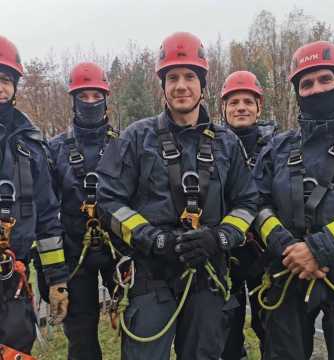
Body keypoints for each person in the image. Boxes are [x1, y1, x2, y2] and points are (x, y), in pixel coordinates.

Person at [96, 32, 258, 360]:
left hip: (208, 278)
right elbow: (109, 201)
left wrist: (219, 238)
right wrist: (154, 239)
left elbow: (247, 203)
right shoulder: (136, 138)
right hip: (152, 277)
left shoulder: (226, 143)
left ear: (203, 85)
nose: (181, 85)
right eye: (172, 77)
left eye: (189, 77)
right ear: (162, 86)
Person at [254, 40, 334, 359]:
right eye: (306, 83)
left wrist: (321, 249)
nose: (315, 90)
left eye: (324, 80)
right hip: (288, 273)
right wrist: (287, 246)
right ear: (297, 91)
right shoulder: (277, 148)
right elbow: (254, 204)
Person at [48, 62, 122, 360]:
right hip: (74, 252)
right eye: (84, 96)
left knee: (135, 325)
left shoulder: (124, 145)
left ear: (106, 100)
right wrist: (52, 275)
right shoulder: (55, 150)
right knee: (80, 335)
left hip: (118, 250)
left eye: (96, 96)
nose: (90, 102)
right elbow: (46, 213)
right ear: (73, 99)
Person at [0, 35, 68, 356]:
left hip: (14, 279)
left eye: (5, 80)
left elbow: (47, 219)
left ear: (14, 87)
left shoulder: (31, 147)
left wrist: (56, 281)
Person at [220, 70, 276, 359]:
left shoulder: (276, 147)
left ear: (258, 108)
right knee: (226, 326)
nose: (240, 107)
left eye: (247, 101)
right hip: (223, 250)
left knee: (269, 324)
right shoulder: (210, 146)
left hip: (263, 252)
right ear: (224, 109)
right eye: (233, 102)